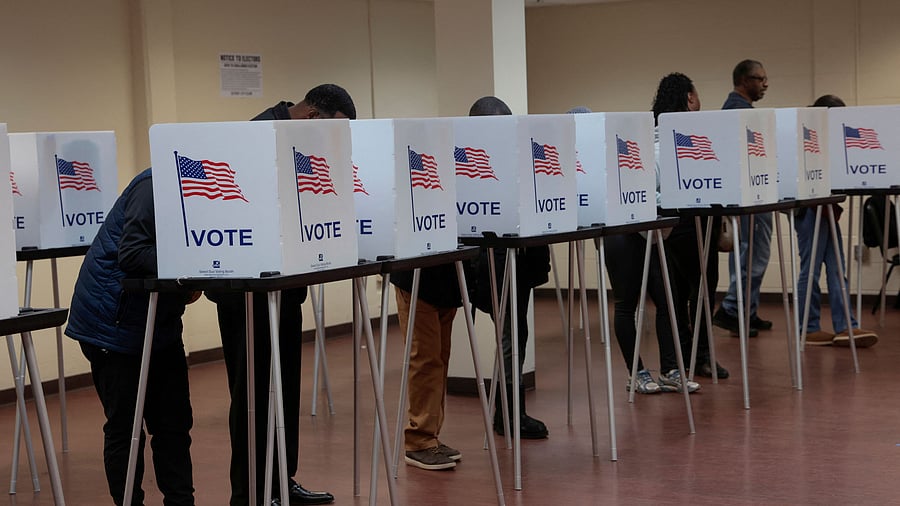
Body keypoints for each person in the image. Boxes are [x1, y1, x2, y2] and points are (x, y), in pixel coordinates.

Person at [206, 84, 356, 506]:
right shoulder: (256, 137)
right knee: (253, 395)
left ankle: (280, 482)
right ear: (312, 117)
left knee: (284, 388)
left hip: (286, 288)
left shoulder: (296, 140)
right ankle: (251, 492)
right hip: (246, 293)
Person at [65, 168, 197, 505]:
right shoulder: (155, 185)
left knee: (174, 423)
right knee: (126, 426)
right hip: (112, 322)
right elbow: (133, 254)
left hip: (159, 321)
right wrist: (194, 266)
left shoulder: (204, 192)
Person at [468, 96, 550, 439]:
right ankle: (510, 415)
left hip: (516, 262)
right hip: (490, 264)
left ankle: (510, 413)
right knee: (510, 337)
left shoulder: (511, 159)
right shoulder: (472, 163)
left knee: (515, 335)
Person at [654, 72, 731, 379]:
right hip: (696, 220)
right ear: (689, 98)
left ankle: (684, 357)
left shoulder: (654, 131)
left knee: (674, 294)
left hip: (668, 223)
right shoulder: (697, 133)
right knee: (702, 290)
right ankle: (701, 357)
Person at [796, 94, 878, 347]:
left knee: (836, 268)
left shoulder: (823, 137)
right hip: (810, 210)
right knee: (810, 270)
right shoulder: (806, 136)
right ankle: (808, 327)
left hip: (826, 209)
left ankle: (846, 327)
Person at [713, 59, 774, 338]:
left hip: (747, 195)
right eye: (760, 79)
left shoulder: (736, 110)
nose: (765, 84)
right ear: (743, 81)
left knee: (747, 254)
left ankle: (745, 309)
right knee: (753, 255)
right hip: (750, 196)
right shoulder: (740, 113)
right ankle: (733, 309)